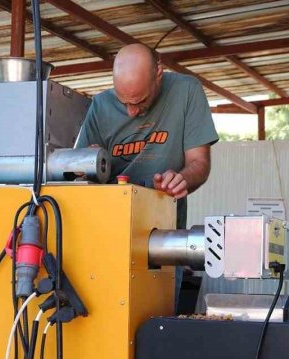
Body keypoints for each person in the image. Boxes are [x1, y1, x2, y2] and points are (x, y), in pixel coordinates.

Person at [75, 43, 219, 230]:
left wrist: (179, 179)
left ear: (158, 73)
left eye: (140, 101)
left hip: (163, 225)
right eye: (123, 101)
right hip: (109, 223)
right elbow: (76, 173)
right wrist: (85, 163)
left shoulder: (187, 91)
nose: (131, 112)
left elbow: (199, 163)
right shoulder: (100, 105)